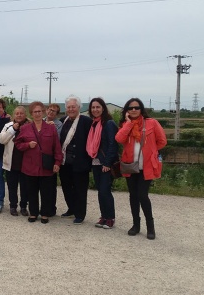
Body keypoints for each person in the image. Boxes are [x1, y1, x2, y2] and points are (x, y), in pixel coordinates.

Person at [115, 98, 167, 240]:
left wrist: (152, 152)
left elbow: (162, 141)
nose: (133, 110)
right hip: (130, 166)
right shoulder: (125, 124)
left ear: (141, 109)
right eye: (130, 108)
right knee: (133, 196)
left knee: (142, 195)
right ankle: (135, 225)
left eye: (136, 107)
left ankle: (150, 227)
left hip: (147, 166)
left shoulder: (152, 123)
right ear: (127, 111)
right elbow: (119, 139)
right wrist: (128, 124)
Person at [15, 102, 62, 223]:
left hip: (46, 166)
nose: (37, 114)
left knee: (46, 191)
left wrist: (57, 162)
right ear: (31, 113)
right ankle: (34, 213)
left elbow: (57, 147)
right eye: (35, 112)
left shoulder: (51, 128)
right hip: (30, 166)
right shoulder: (25, 128)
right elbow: (18, 144)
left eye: (39, 111)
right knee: (32, 191)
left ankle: (45, 213)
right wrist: (27, 145)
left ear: (44, 112)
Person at [58, 95, 92, 225]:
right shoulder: (63, 120)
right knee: (66, 187)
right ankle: (71, 208)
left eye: (73, 106)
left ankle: (80, 214)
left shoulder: (86, 121)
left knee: (80, 189)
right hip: (65, 161)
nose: (71, 109)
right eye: (69, 107)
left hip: (80, 161)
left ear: (79, 107)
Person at [86, 98, 119, 229]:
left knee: (105, 190)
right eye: (93, 107)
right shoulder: (93, 124)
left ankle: (110, 217)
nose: (95, 110)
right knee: (100, 191)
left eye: (98, 107)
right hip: (95, 162)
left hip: (105, 163)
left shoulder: (109, 124)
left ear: (103, 108)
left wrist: (107, 163)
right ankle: (103, 216)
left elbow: (113, 144)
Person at [0, 106, 30, 216]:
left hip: (25, 163)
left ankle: (23, 206)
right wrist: (13, 129)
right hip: (11, 162)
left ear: (25, 115)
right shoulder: (8, 126)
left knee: (25, 187)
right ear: (13, 115)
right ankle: (13, 206)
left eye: (21, 113)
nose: (19, 115)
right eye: (17, 113)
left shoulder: (30, 126)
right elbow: (2, 140)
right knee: (12, 186)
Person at [44, 103, 63, 216]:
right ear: (46, 110)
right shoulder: (40, 120)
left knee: (51, 185)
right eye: (50, 110)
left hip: (51, 157)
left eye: (54, 111)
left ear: (56, 114)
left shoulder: (59, 124)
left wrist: (52, 129)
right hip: (39, 156)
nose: (51, 112)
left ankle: (51, 208)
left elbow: (58, 140)